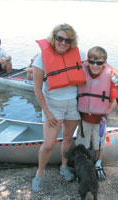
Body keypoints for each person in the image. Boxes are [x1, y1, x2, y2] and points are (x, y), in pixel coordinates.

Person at [32, 23, 86, 192]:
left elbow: (94, 66)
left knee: (68, 138)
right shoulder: (41, 59)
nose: (63, 43)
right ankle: (39, 174)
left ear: (72, 42)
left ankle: (63, 167)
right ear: (53, 38)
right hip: (52, 106)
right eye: (60, 38)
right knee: (48, 145)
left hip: (73, 105)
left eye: (68, 40)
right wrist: (47, 113)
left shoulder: (80, 54)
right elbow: (37, 90)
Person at [76, 46, 118, 181]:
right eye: (92, 62)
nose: (95, 65)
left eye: (99, 63)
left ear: (104, 64)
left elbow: (114, 102)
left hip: (100, 120)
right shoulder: (81, 72)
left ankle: (98, 162)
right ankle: (81, 164)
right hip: (84, 119)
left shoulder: (108, 78)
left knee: (99, 144)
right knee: (82, 143)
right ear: (88, 61)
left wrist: (106, 114)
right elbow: (78, 63)